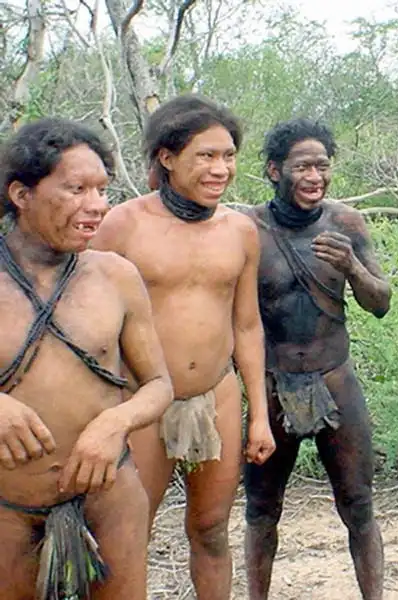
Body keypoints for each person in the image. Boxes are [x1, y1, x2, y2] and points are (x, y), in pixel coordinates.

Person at [90, 94, 276, 600]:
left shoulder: (241, 231)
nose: (221, 168)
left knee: (212, 528)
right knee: (129, 533)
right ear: (167, 158)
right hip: (140, 400)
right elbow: (80, 315)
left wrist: (258, 413)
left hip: (215, 394)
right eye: (206, 156)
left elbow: (247, 326)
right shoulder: (123, 225)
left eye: (228, 156)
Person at [0, 117, 173, 600]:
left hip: (109, 499)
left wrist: (114, 424)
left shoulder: (116, 276)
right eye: (77, 189)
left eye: (102, 189)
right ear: (21, 194)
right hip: (7, 508)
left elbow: (159, 384)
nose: (97, 206)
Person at [242, 118, 391, 600]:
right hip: (271, 384)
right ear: (272, 170)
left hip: (335, 378)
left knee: (358, 503)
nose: (314, 177)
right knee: (262, 508)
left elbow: (381, 302)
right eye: (302, 166)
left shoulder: (346, 223)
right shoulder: (247, 229)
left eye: (322, 167)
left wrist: (351, 266)